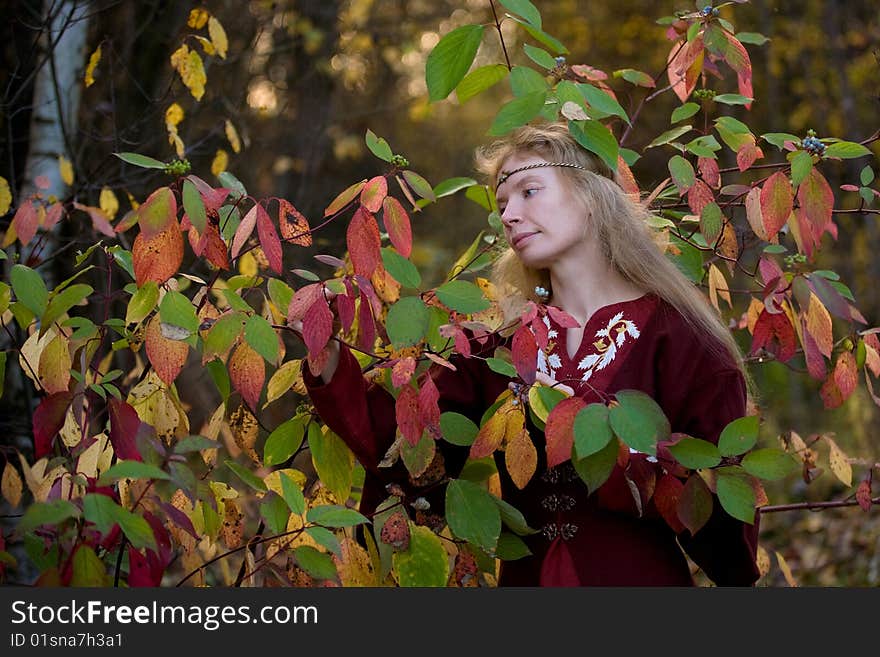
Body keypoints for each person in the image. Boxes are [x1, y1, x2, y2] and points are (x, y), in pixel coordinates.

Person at [298, 121, 761, 587]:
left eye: (529, 191)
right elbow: (412, 459)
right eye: (502, 204)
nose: (509, 215)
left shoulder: (682, 336)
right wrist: (331, 356)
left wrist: (618, 450)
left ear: (589, 192)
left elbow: (725, 532)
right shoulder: (503, 345)